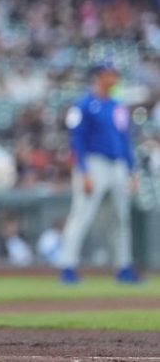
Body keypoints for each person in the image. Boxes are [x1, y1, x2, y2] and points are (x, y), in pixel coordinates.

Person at [59, 61, 140, 284]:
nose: (114, 77)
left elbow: (125, 140)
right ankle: (68, 267)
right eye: (109, 74)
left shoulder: (117, 106)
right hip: (94, 164)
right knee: (81, 215)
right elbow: (77, 140)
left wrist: (132, 171)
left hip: (118, 166)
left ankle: (124, 267)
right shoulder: (83, 104)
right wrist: (83, 171)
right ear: (98, 76)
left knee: (120, 218)